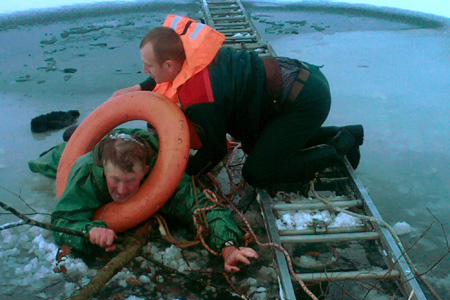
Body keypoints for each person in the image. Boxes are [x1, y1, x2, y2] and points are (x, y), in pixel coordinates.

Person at [112, 15, 364, 192]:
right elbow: (165, 71)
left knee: (257, 172)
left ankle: (337, 149)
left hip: (305, 100)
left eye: (149, 66)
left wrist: (183, 176)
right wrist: (140, 88)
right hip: (296, 78)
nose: (144, 70)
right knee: (257, 146)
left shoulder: (201, 98)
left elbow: (215, 150)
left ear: (168, 65)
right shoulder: (187, 55)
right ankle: (347, 132)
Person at [29, 128, 258, 273]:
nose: (121, 190)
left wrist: (228, 246)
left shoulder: (163, 176)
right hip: (92, 145)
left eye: (130, 180)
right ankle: (70, 138)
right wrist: (89, 231)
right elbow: (62, 220)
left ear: (145, 171)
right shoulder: (88, 173)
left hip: (140, 145)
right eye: (115, 179)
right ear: (104, 171)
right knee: (53, 159)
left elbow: (202, 208)